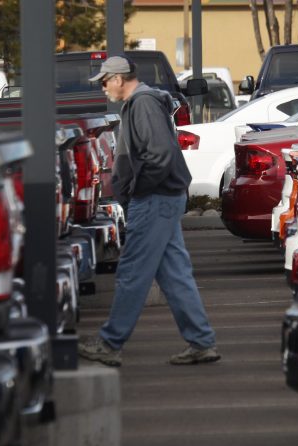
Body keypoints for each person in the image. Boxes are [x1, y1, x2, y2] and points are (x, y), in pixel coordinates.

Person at [77, 55, 220, 367]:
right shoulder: (146, 102)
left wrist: (138, 189)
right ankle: (201, 342)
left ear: (118, 79)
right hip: (162, 197)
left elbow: (160, 154)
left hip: (154, 199)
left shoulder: (141, 104)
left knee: (132, 273)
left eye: (104, 81)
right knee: (174, 274)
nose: (103, 88)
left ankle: (110, 343)